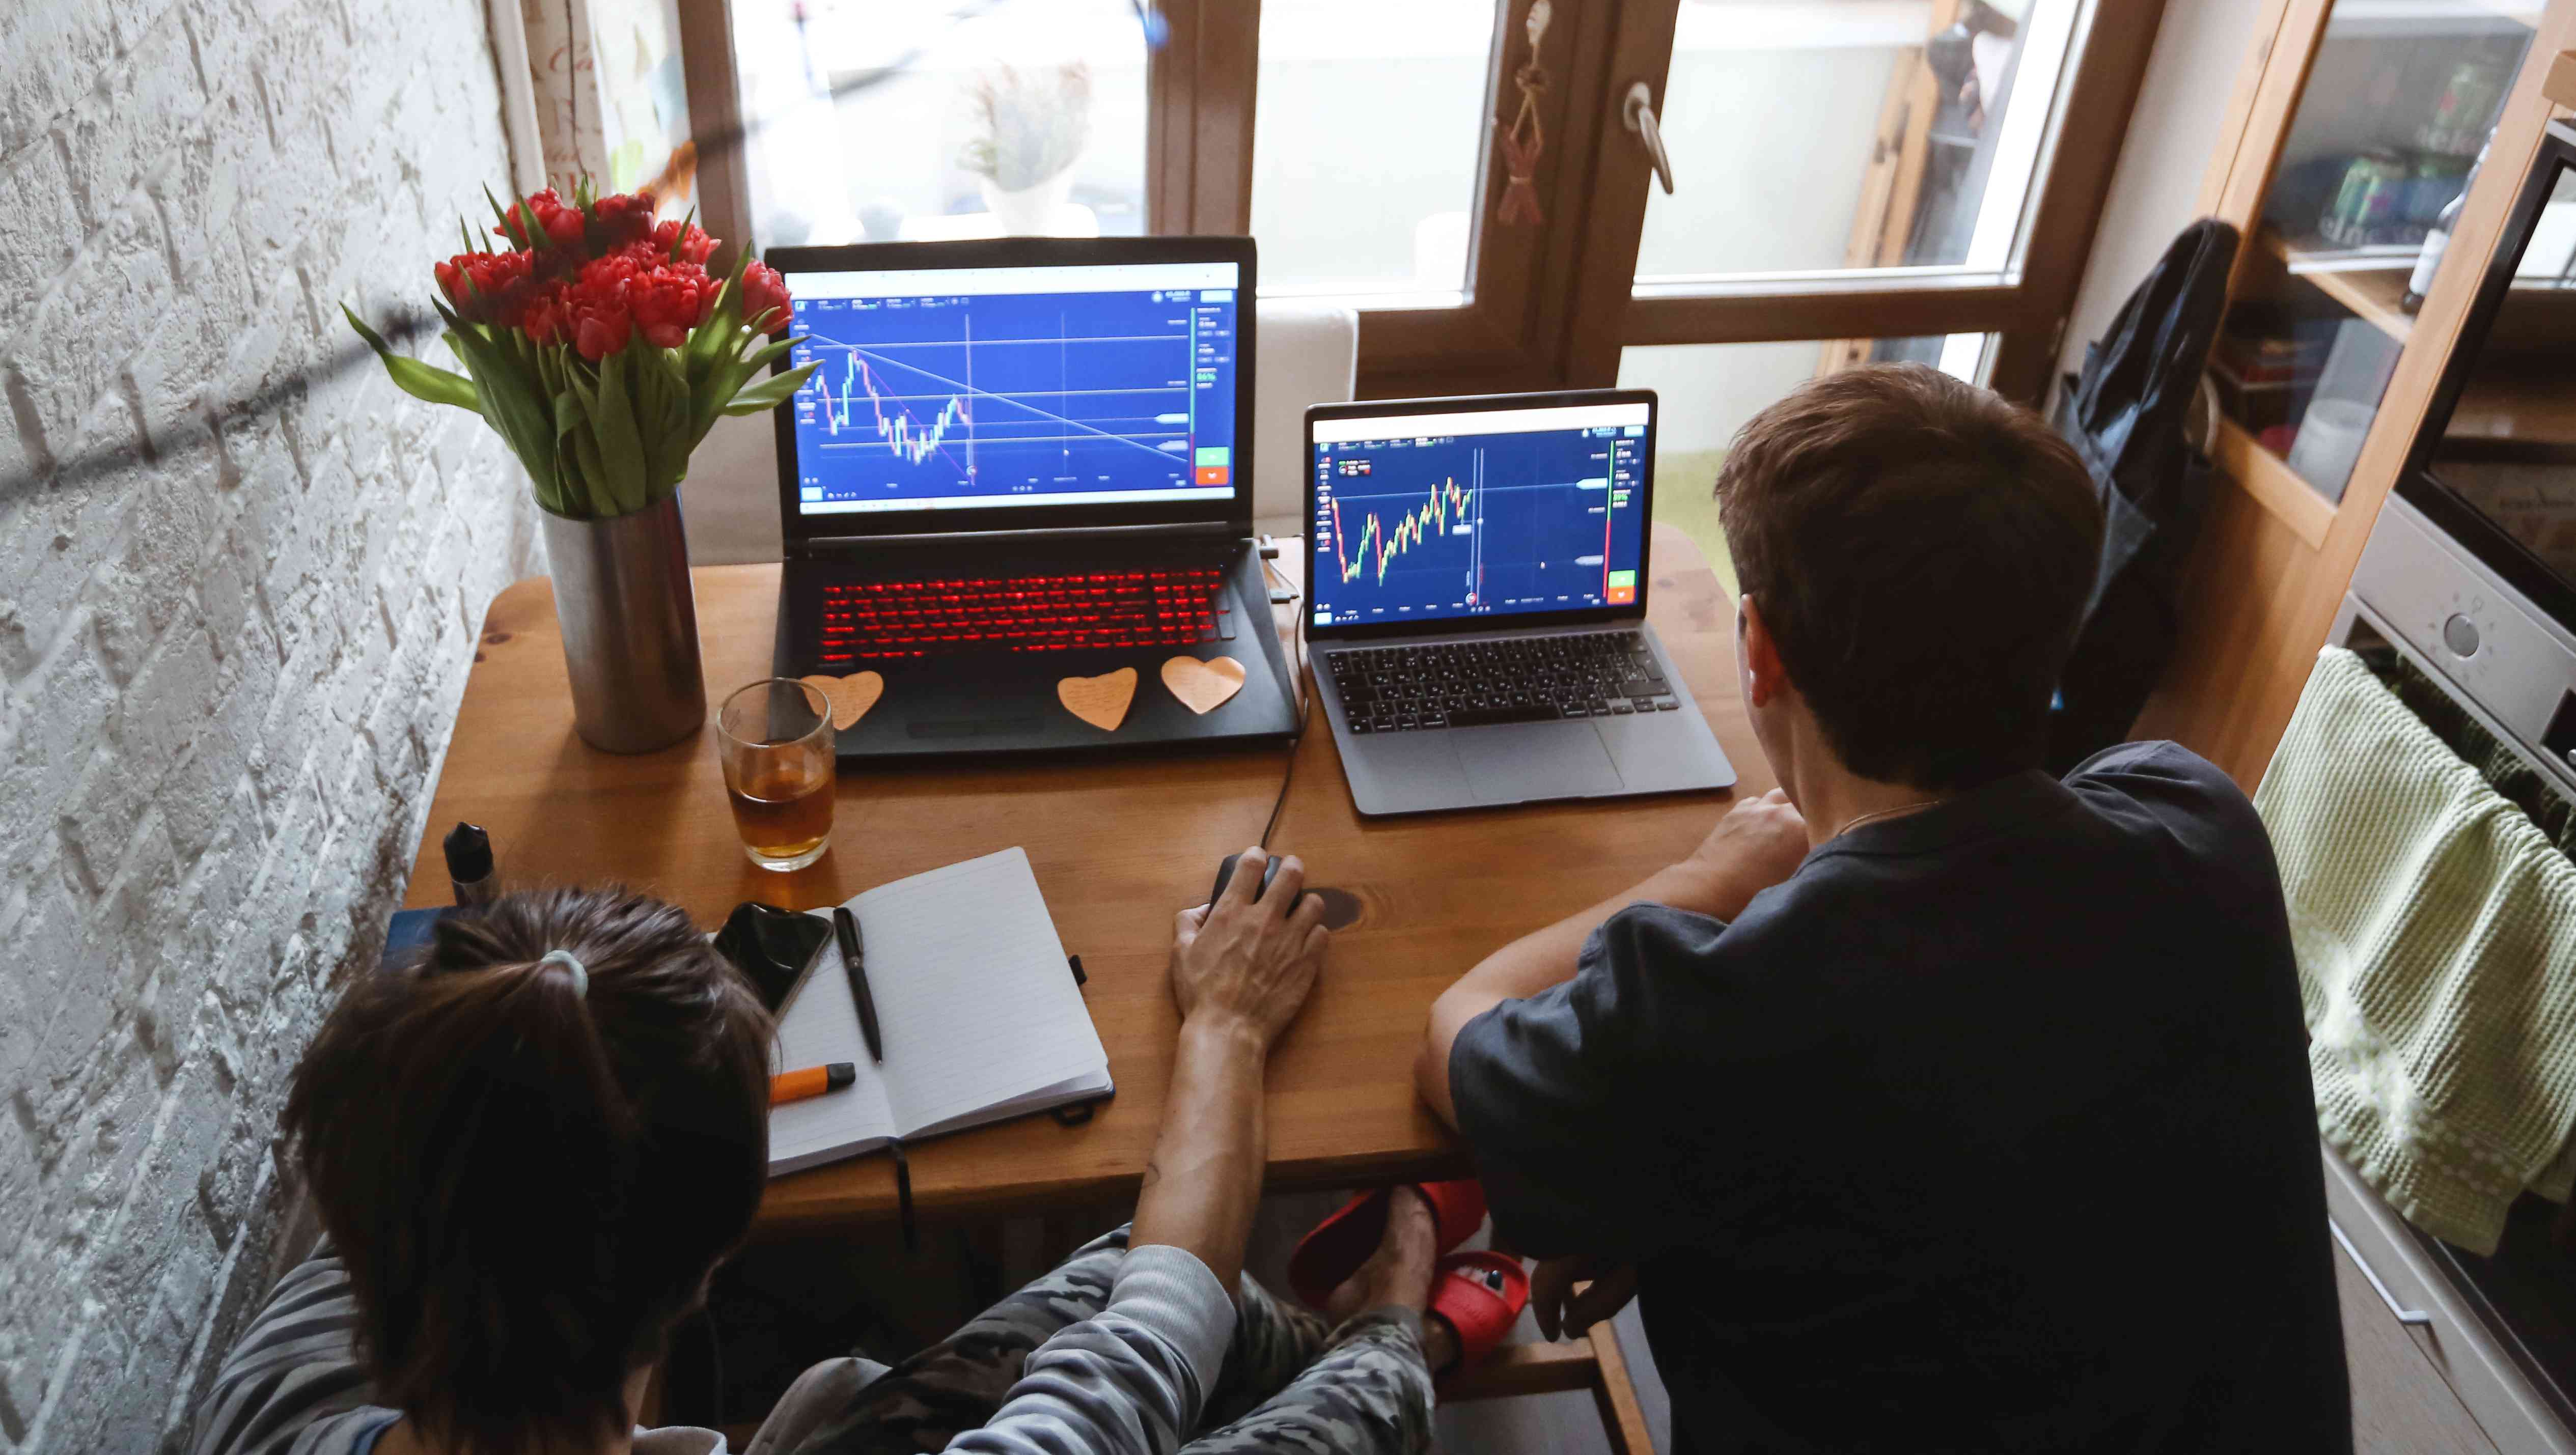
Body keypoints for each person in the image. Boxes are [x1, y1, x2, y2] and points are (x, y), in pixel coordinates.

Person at [1415, 365, 2351, 1453]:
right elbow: (1961, 1104)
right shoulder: (2198, 823)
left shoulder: (1724, 1011)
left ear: (1757, 650)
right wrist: (1670, 1179)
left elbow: (1459, 1025)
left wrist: (1711, 878)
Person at [194, 859, 1449, 1455]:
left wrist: (628, 1047)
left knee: (1143, 1281)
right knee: (1335, 1400)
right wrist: (1224, 1019)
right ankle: (1404, 1329)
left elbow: (470, 1133)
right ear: (705, 1272)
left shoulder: (269, 1394)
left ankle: (1316, 1330)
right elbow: (1155, 1326)